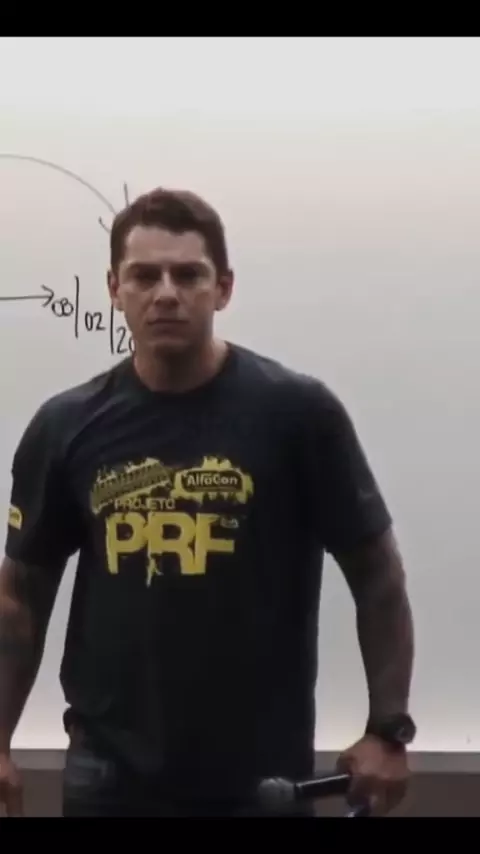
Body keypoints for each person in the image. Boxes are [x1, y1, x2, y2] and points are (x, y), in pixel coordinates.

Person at [0, 187, 415, 818]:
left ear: (222, 289)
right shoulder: (65, 426)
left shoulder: (298, 414)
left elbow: (378, 574)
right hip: (110, 774)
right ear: (114, 289)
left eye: (188, 274)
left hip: (261, 780)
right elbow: (21, 597)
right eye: (145, 276)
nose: (166, 293)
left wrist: (388, 730)